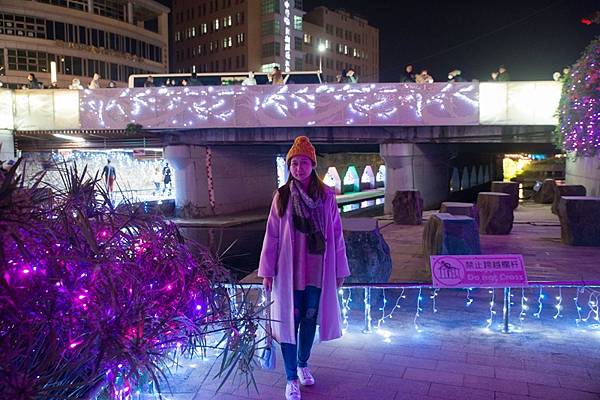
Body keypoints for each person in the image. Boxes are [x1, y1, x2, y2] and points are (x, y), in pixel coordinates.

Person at [258, 136, 350, 400]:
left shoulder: (325, 196)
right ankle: (290, 378)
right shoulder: (283, 195)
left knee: (309, 320)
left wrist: (340, 269)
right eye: (294, 163)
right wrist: (266, 271)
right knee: (289, 321)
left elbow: (336, 233)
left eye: (303, 163)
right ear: (289, 166)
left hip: (317, 271)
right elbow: (272, 234)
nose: (298, 168)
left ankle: (302, 364)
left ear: (313, 165)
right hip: (289, 273)